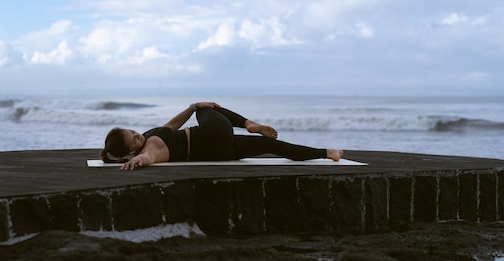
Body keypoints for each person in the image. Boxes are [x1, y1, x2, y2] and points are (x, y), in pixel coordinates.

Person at [101, 102, 343, 170]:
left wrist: (191, 107)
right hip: (211, 133)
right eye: (132, 139)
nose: (136, 135)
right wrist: (137, 161)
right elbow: (149, 159)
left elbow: (171, 124)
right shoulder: (148, 150)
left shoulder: (147, 138)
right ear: (132, 152)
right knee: (210, 109)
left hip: (219, 150)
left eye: (131, 131)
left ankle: (326, 153)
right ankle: (249, 123)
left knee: (274, 147)